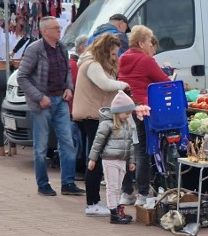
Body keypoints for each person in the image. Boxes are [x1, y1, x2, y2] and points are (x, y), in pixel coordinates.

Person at [16, 17, 85, 197]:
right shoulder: (34, 50)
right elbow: (21, 77)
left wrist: (69, 87)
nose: (59, 30)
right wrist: (39, 97)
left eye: (59, 27)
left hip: (60, 101)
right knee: (40, 146)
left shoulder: (62, 48)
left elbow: (67, 70)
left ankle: (68, 183)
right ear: (44, 31)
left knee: (68, 143)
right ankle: (43, 184)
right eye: (55, 28)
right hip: (43, 104)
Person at [72, 34, 130, 217]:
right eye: (112, 53)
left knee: (96, 158)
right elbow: (105, 84)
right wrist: (124, 84)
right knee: (95, 159)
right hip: (93, 115)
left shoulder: (95, 63)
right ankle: (92, 203)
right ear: (104, 51)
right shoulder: (92, 64)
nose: (115, 57)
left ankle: (95, 201)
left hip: (98, 114)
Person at [117, 25, 171, 206]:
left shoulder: (123, 58)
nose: (151, 45)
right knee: (141, 151)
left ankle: (126, 193)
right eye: (149, 41)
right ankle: (142, 194)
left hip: (124, 109)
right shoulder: (146, 60)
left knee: (127, 151)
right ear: (141, 43)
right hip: (141, 110)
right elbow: (164, 82)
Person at [87, 90, 136, 225]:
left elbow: (130, 144)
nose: (128, 116)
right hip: (110, 159)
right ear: (118, 112)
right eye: (126, 113)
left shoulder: (127, 125)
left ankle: (116, 209)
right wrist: (93, 159)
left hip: (121, 160)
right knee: (112, 186)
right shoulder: (107, 124)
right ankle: (113, 212)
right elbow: (98, 143)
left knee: (117, 186)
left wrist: (131, 161)